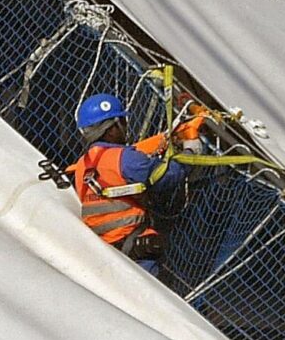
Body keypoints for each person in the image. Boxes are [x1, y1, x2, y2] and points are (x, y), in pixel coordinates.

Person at [69, 90, 212, 272]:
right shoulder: (125, 158)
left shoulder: (83, 165)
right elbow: (166, 176)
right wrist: (191, 152)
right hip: (134, 249)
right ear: (111, 128)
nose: (126, 126)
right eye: (122, 122)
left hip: (102, 249)